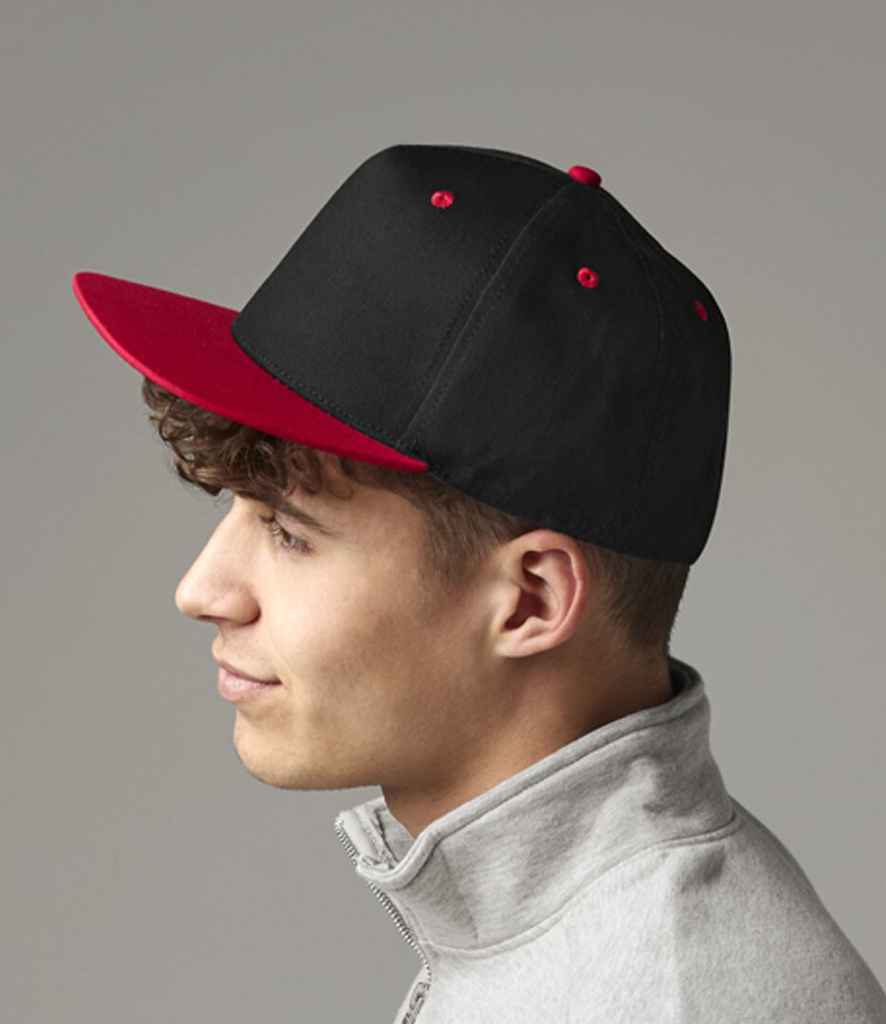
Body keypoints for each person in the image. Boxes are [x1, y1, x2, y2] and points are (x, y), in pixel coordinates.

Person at [71, 143, 886, 1023]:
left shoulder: (679, 997)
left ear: (531, 599)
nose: (201, 589)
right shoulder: (574, 946)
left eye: (289, 532)